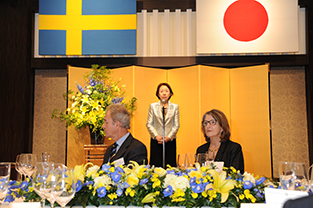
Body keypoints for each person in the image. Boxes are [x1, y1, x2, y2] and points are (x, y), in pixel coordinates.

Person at [196, 109, 244, 173]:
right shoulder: (201, 149)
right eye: (205, 123)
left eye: (212, 122)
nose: (208, 126)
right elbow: (196, 173)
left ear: (222, 127)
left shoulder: (233, 148)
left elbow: (236, 175)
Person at [146, 83, 180, 167]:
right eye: (161, 91)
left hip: (170, 140)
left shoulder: (175, 107)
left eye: (166, 91)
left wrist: (168, 137)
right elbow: (149, 123)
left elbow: (176, 125)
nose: (164, 93)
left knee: (170, 165)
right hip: (156, 140)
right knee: (156, 165)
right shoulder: (153, 106)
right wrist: (156, 136)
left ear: (170, 93)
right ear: (158, 94)